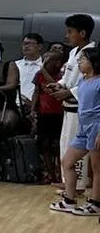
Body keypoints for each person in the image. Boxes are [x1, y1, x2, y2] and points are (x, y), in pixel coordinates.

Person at [51, 44, 100, 216]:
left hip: (96, 127)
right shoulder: (83, 81)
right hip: (83, 127)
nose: (79, 62)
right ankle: (69, 200)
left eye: (83, 59)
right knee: (67, 161)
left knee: (97, 167)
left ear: (94, 62)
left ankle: (95, 203)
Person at [33, 46, 68, 185]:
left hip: (59, 113)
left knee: (58, 145)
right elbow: (37, 92)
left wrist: (43, 69)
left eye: (49, 61)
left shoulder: (62, 76)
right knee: (45, 144)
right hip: (44, 113)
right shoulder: (39, 75)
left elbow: (55, 84)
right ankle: (51, 174)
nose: (46, 63)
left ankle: (61, 174)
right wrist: (32, 109)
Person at [5, 32, 45, 119]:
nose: (26, 46)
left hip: (37, 107)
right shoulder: (15, 65)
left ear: (40, 46)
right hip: (14, 106)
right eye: (24, 44)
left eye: (29, 43)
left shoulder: (45, 66)